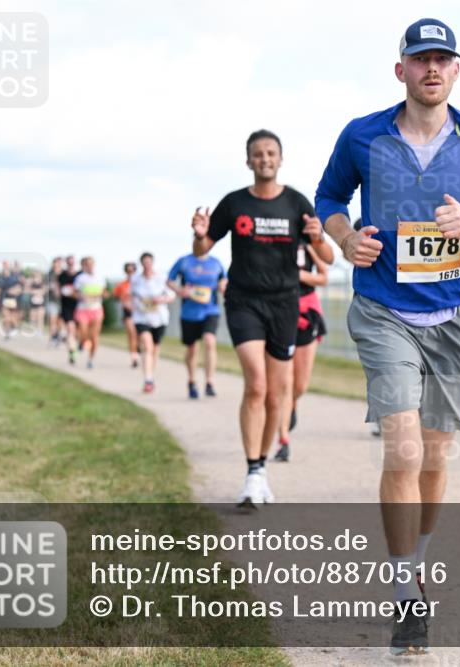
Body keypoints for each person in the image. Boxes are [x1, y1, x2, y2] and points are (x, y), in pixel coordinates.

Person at [315, 18, 460, 655]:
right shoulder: (364, 135)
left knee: (435, 459)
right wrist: (344, 237)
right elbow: (331, 197)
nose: (431, 69)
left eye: (443, 59)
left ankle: (419, 560)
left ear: (456, 70)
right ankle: (406, 592)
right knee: (403, 451)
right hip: (382, 310)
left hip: (451, 319)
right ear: (400, 70)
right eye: (420, 59)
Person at [190, 128, 324, 509]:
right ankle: (251, 472)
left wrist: (316, 238)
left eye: (271, 153)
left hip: (285, 304)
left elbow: (328, 259)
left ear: (281, 159)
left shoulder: (297, 203)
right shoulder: (234, 204)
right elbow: (202, 250)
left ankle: (260, 469)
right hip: (244, 301)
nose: (264, 159)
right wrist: (201, 234)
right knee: (256, 385)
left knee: (278, 393)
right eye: (258, 154)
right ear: (248, 161)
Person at [275, 239, 334, 461]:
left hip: (307, 312)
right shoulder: (275, 242)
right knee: (285, 382)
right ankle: (283, 440)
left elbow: (323, 276)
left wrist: (299, 274)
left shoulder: (309, 244)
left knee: (300, 385)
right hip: (280, 310)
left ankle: (291, 405)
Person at [167, 251, 227, 399]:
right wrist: (180, 291)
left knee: (209, 341)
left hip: (210, 310)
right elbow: (169, 280)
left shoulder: (216, 262)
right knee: (192, 349)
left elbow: (223, 281)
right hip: (189, 312)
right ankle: (192, 381)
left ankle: (209, 382)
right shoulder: (184, 261)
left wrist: (223, 288)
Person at [131, 252, 175, 393]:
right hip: (142, 317)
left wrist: (160, 300)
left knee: (155, 348)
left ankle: (151, 374)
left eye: (149, 262)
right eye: (144, 263)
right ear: (141, 264)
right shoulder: (136, 279)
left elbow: (171, 296)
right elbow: (131, 296)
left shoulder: (162, 278)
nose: (147, 265)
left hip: (159, 317)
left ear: (152, 263)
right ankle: (148, 379)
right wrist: (137, 304)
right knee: (147, 346)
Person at [73, 256, 108, 369]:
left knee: (94, 336)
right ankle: (82, 342)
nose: (90, 266)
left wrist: (102, 295)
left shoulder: (100, 277)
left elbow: (105, 293)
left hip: (96, 308)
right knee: (83, 333)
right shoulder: (80, 278)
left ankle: (91, 359)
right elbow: (75, 293)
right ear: (84, 266)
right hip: (83, 309)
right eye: (87, 264)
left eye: (91, 264)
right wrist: (82, 296)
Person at [113, 262, 140, 368]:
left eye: (133, 271)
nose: (131, 273)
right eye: (128, 271)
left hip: (140, 312)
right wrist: (123, 301)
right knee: (131, 334)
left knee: (139, 335)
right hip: (128, 312)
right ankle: (134, 357)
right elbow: (115, 296)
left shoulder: (139, 283)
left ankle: (137, 349)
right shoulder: (122, 284)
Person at [58, 255, 80, 364]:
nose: (71, 263)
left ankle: (77, 346)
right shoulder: (62, 275)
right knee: (70, 329)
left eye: (72, 261)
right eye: (69, 262)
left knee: (78, 332)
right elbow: (61, 290)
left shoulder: (80, 275)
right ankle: (72, 352)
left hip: (80, 307)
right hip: (67, 307)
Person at [0, 261, 24, 340]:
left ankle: (15, 327)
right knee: (6, 317)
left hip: (13, 300)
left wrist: (13, 291)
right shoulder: (0, 278)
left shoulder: (15, 278)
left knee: (12, 317)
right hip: (3, 300)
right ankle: (7, 333)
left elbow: (19, 289)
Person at [46, 257, 64, 346]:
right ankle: (51, 338)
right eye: (55, 263)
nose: (57, 265)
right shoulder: (50, 274)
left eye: (59, 263)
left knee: (59, 321)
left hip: (63, 302)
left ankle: (58, 336)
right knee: (52, 320)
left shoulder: (64, 273)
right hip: (52, 300)